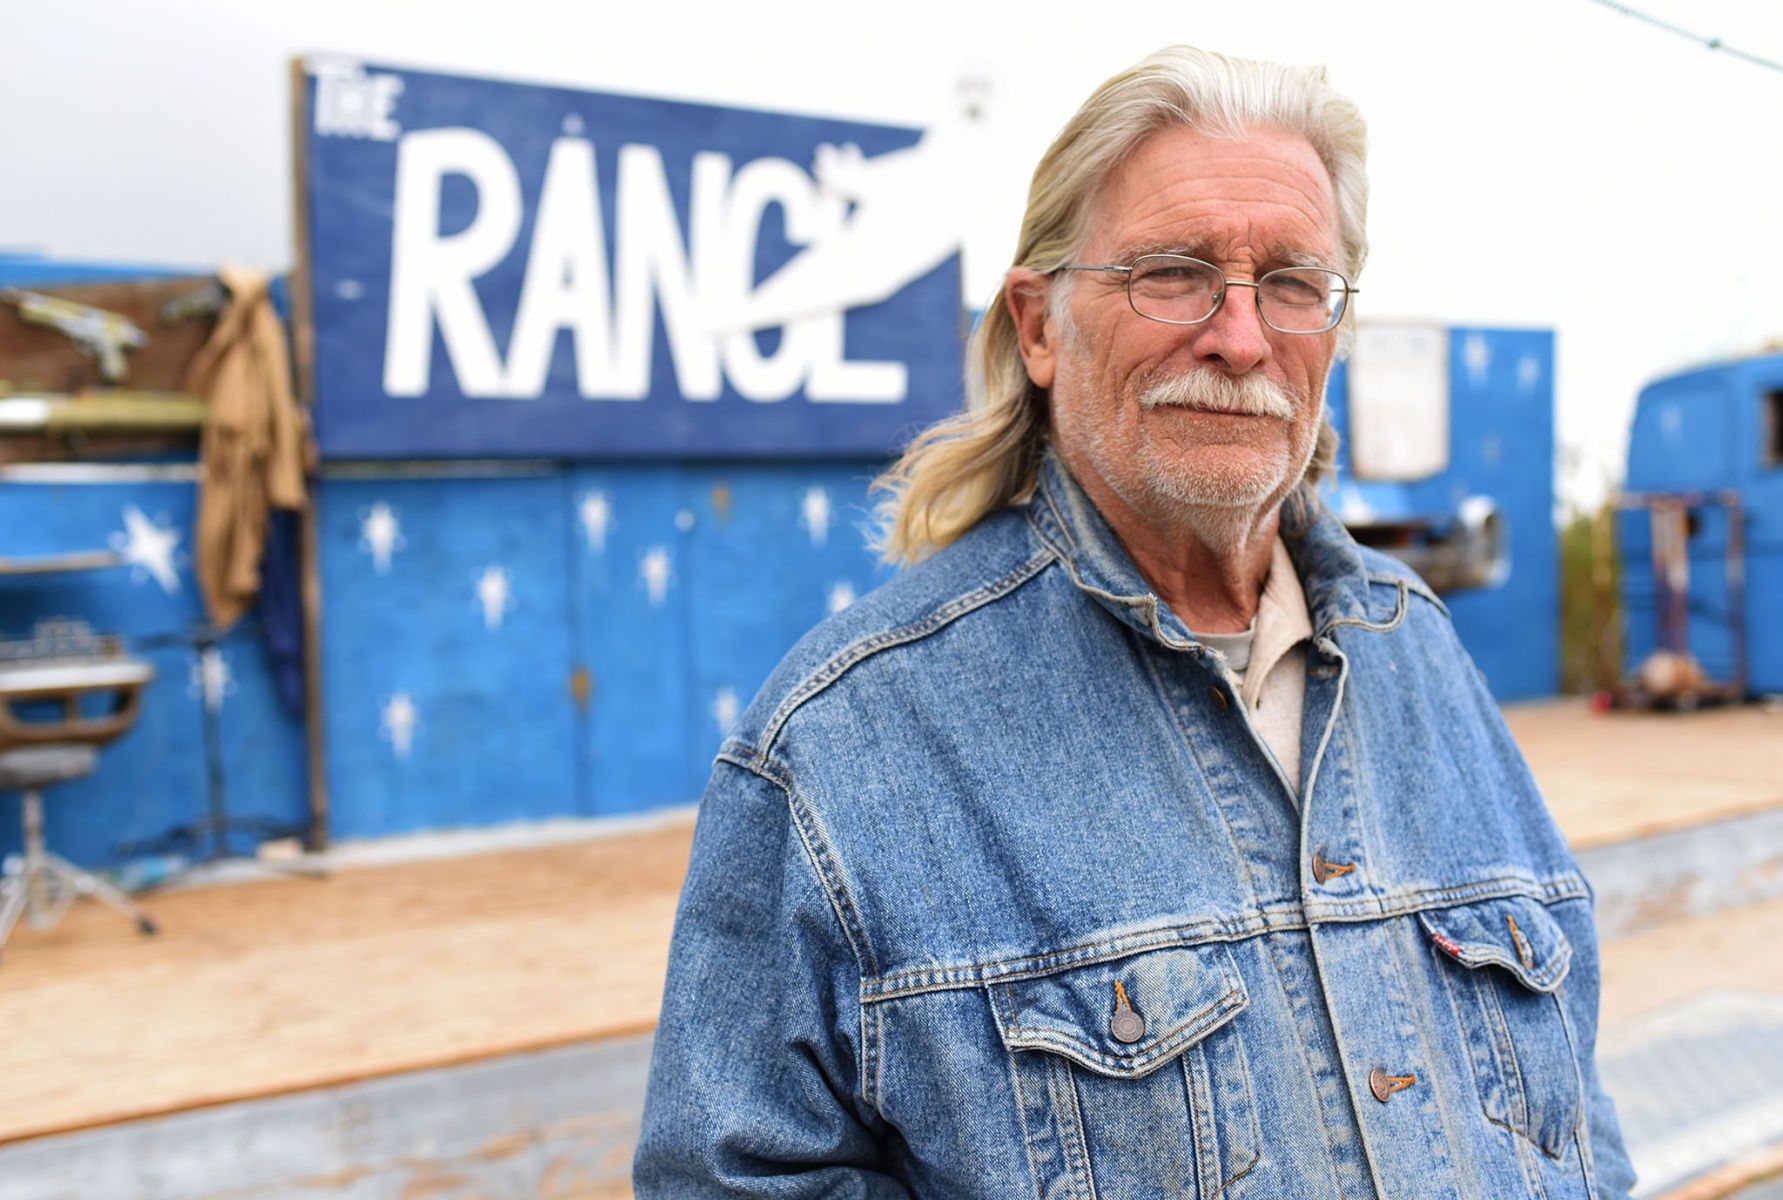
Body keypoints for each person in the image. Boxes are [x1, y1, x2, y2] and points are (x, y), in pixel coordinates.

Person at [635, 44, 1636, 1199]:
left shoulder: (1419, 648)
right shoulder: (841, 748)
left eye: (1294, 285)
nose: (1241, 337)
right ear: (1040, 327)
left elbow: (1575, 1105)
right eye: (1174, 272)